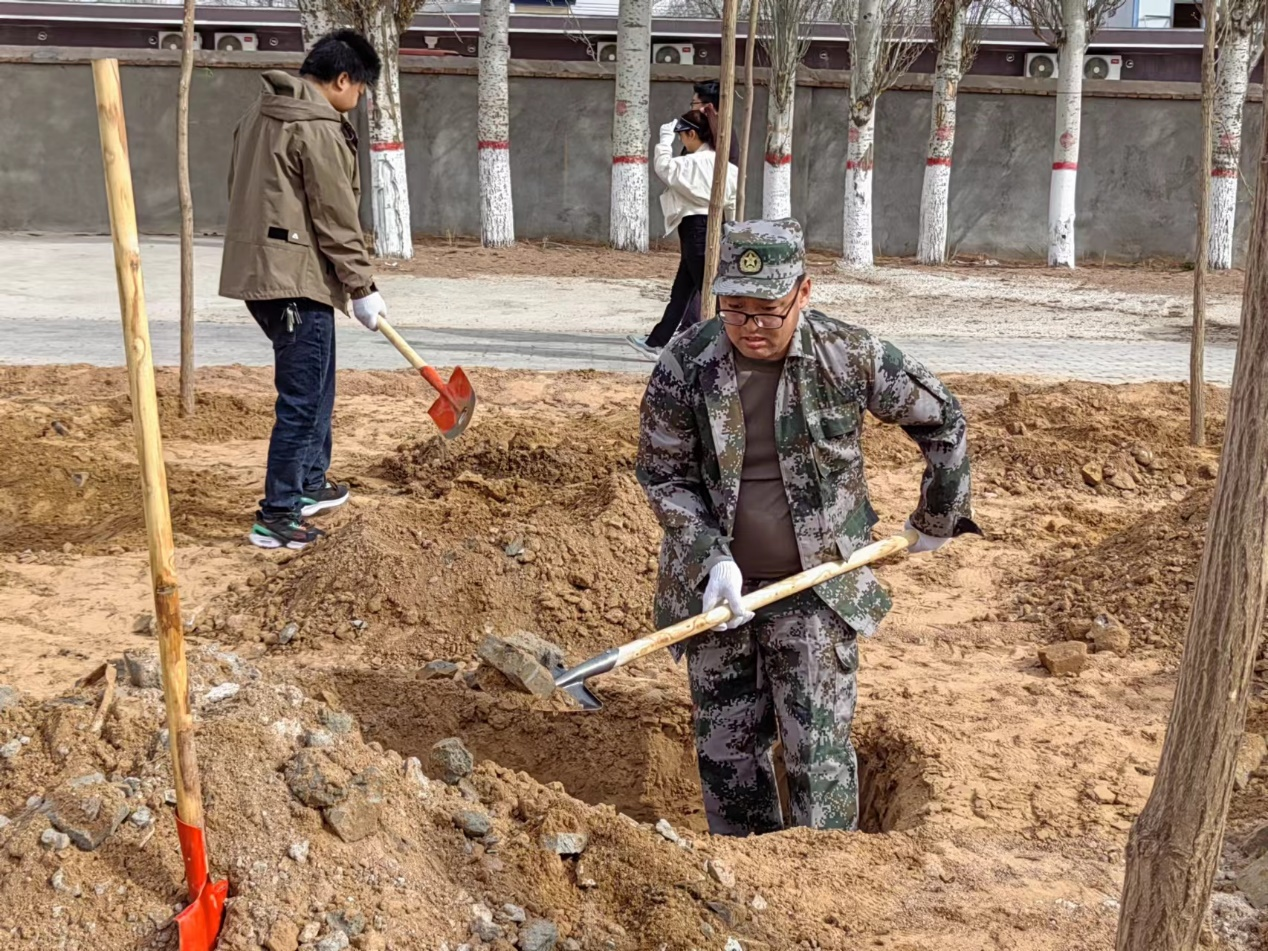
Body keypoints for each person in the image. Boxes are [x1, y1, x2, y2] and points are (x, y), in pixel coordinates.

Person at [635, 219, 979, 836]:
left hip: (819, 589)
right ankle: (745, 884)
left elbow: (943, 419)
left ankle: (824, 887)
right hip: (718, 599)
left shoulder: (847, 354)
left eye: (767, 309)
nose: (750, 326)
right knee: (728, 757)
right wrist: (712, 558)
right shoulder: (685, 365)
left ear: (804, 292)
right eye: (734, 309)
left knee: (816, 756)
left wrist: (937, 514)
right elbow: (664, 476)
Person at [219, 29, 388, 550]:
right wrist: (361, 284)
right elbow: (336, 216)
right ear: (341, 79)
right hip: (293, 280)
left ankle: (310, 482)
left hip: (269, 271)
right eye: (359, 90)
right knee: (302, 398)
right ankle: (278, 514)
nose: (357, 101)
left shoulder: (260, 114)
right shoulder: (316, 128)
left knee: (318, 384)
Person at [626, 110, 737, 360]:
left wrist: (664, 141)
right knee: (682, 292)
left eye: (681, 137)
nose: (681, 142)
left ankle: (732, 344)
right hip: (709, 226)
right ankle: (657, 342)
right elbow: (731, 201)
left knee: (711, 293)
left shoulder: (692, 163)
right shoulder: (724, 166)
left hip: (697, 227)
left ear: (691, 133)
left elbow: (664, 168)